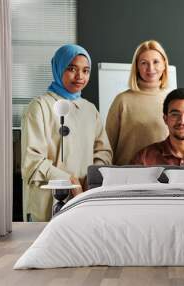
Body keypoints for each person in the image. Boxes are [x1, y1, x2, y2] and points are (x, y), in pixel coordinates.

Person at [21, 44, 113, 222]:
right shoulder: (39, 107)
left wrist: (92, 177)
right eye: (72, 68)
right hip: (46, 202)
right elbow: (32, 163)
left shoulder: (89, 109)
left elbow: (104, 152)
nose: (80, 76)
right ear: (58, 68)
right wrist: (69, 181)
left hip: (84, 198)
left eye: (85, 71)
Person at [106, 40, 170, 165]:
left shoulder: (172, 100)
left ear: (164, 64)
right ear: (137, 67)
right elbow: (107, 147)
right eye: (144, 63)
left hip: (163, 177)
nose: (150, 68)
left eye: (156, 62)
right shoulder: (122, 100)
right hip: (127, 176)